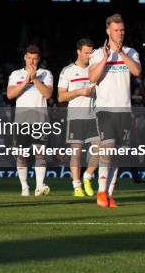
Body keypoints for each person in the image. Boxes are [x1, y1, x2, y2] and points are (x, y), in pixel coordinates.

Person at [89, 14, 141, 208]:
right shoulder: (97, 53)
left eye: (122, 30)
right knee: (108, 148)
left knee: (118, 154)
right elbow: (92, 77)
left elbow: (136, 71)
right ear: (108, 31)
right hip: (105, 109)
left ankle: (109, 194)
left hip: (124, 110)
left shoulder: (131, 52)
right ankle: (101, 192)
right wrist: (105, 58)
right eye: (117, 30)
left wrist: (121, 54)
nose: (120, 33)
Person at [7, 45, 54, 197]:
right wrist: (26, 80)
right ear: (25, 58)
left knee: (40, 154)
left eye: (35, 59)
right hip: (21, 121)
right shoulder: (16, 74)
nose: (32, 61)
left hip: (40, 120)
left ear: (39, 59)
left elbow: (47, 94)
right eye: (29, 58)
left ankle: (39, 186)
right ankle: (24, 187)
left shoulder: (46, 74)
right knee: (21, 155)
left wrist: (34, 79)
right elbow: (10, 95)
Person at [57, 38, 99, 197]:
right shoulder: (67, 71)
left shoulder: (95, 69)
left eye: (91, 52)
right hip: (76, 117)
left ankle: (87, 176)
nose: (89, 55)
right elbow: (60, 97)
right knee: (76, 153)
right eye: (86, 52)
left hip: (94, 117)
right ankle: (76, 186)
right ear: (79, 52)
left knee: (99, 149)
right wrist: (79, 92)